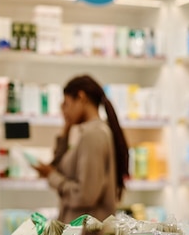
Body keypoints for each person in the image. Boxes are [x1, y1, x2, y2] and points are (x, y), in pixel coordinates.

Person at [32, 75, 129, 223]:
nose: (64, 111)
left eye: (66, 104)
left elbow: (85, 195)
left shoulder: (93, 135)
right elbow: (58, 166)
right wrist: (66, 129)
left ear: (81, 97)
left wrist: (52, 176)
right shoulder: (84, 132)